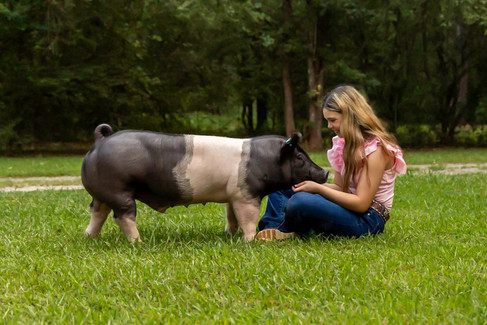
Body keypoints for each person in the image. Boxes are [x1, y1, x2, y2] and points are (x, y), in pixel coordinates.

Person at [256, 85, 407, 241]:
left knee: (301, 201)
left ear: (350, 115)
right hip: (347, 209)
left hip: (368, 219)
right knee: (281, 181)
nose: (329, 126)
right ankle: (274, 229)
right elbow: (340, 188)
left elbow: (362, 203)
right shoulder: (345, 145)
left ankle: (290, 228)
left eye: (332, 120)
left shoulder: (377, 150)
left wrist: (317, 189)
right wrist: (307, 184)